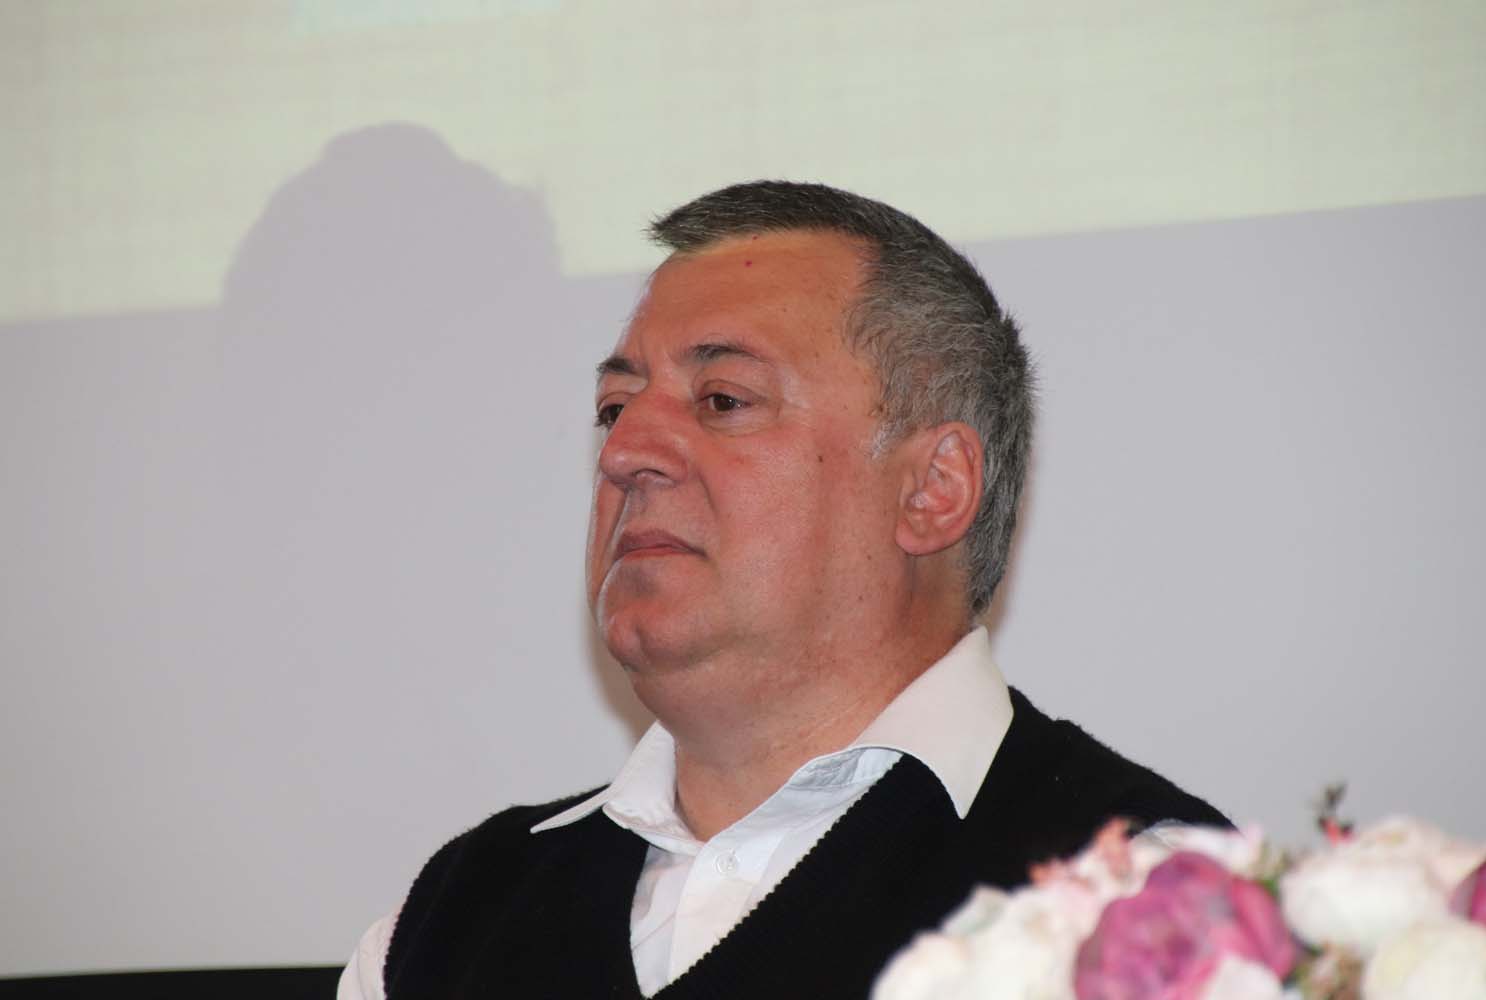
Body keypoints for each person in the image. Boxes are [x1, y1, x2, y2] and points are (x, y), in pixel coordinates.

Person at [337, 181, 1228, 1000]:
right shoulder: (437, 933)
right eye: (614, 408)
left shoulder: (1152, 912)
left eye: (723, 400)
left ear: (933, 489)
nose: (625, 452)